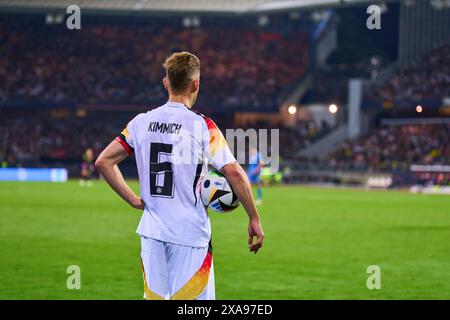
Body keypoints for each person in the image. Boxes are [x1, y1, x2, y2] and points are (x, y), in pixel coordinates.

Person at [95, 52, 264, 300]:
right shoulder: (202, 125)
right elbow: (235, 173)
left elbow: (104, 161)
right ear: (196, 84)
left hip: (151, 233)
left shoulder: (141, 122)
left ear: (166, 82)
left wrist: (133, 199)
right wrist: (254, 217)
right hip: (189, 234)